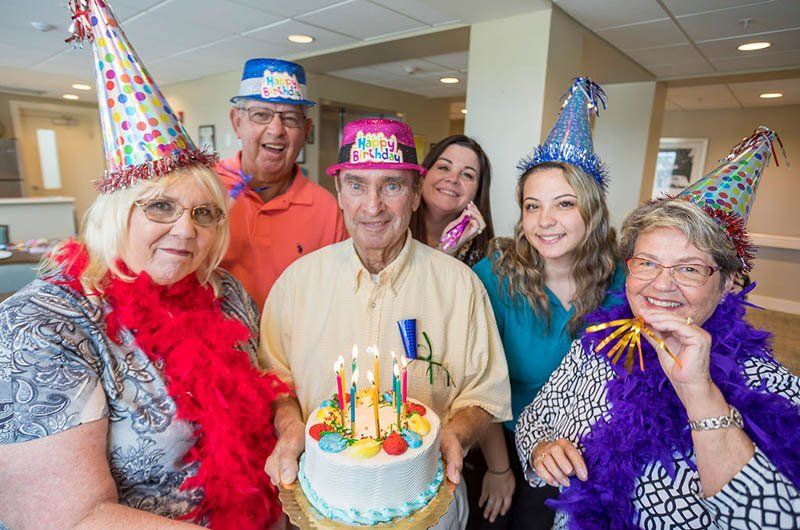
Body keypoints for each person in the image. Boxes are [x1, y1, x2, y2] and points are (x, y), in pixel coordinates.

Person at [0, 3, 285, 528]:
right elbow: (69, 519)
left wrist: (289, 428)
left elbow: (261, 395)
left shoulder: (225, 291)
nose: (186, 230)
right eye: (160, 206)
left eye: (204, 213)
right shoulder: (42, 325)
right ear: (114, 213)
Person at [516, 127, 800, 529]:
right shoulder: (601, 343)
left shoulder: (768, 384)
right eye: (647, 262)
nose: (661, 284)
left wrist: (700, 395)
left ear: (727, 285)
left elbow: (780, 520)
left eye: (689, 268)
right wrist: (541, 447)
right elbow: (534, 417)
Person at [260, 118, 512, 529]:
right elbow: (274, 378)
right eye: (357, 185)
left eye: (392, 186)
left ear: (415, 196)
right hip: (323, 504)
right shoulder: (297, 282)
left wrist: (458, 434)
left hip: (430, 506)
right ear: (338, 192)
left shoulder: (461, 286)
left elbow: (484, 394)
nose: (373, 205)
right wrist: (291, 427)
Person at [467, 77, 623, 530]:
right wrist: (499, 470)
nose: (545, 221)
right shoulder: (493, 279)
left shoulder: (627, 283)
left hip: (599, 462)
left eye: (564, 204)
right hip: (508, 450)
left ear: (592, 211)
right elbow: (480, 388)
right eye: (532, 206)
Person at [218, 58, 347, 309]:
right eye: (261, 115)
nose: (276, 129)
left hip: (294, 345)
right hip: (210, 345)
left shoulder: (327, 210)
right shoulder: (201, 189)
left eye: (289, 119)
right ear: (237, 122)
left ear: (306, 130)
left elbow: (336, 295)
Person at [410, 135, 494, 267]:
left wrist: (448, 247)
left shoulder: (486, 258)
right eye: (444, 167)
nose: (453, 179)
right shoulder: (394, 226)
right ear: (423, 176)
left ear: (478, 192)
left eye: (467, 174)